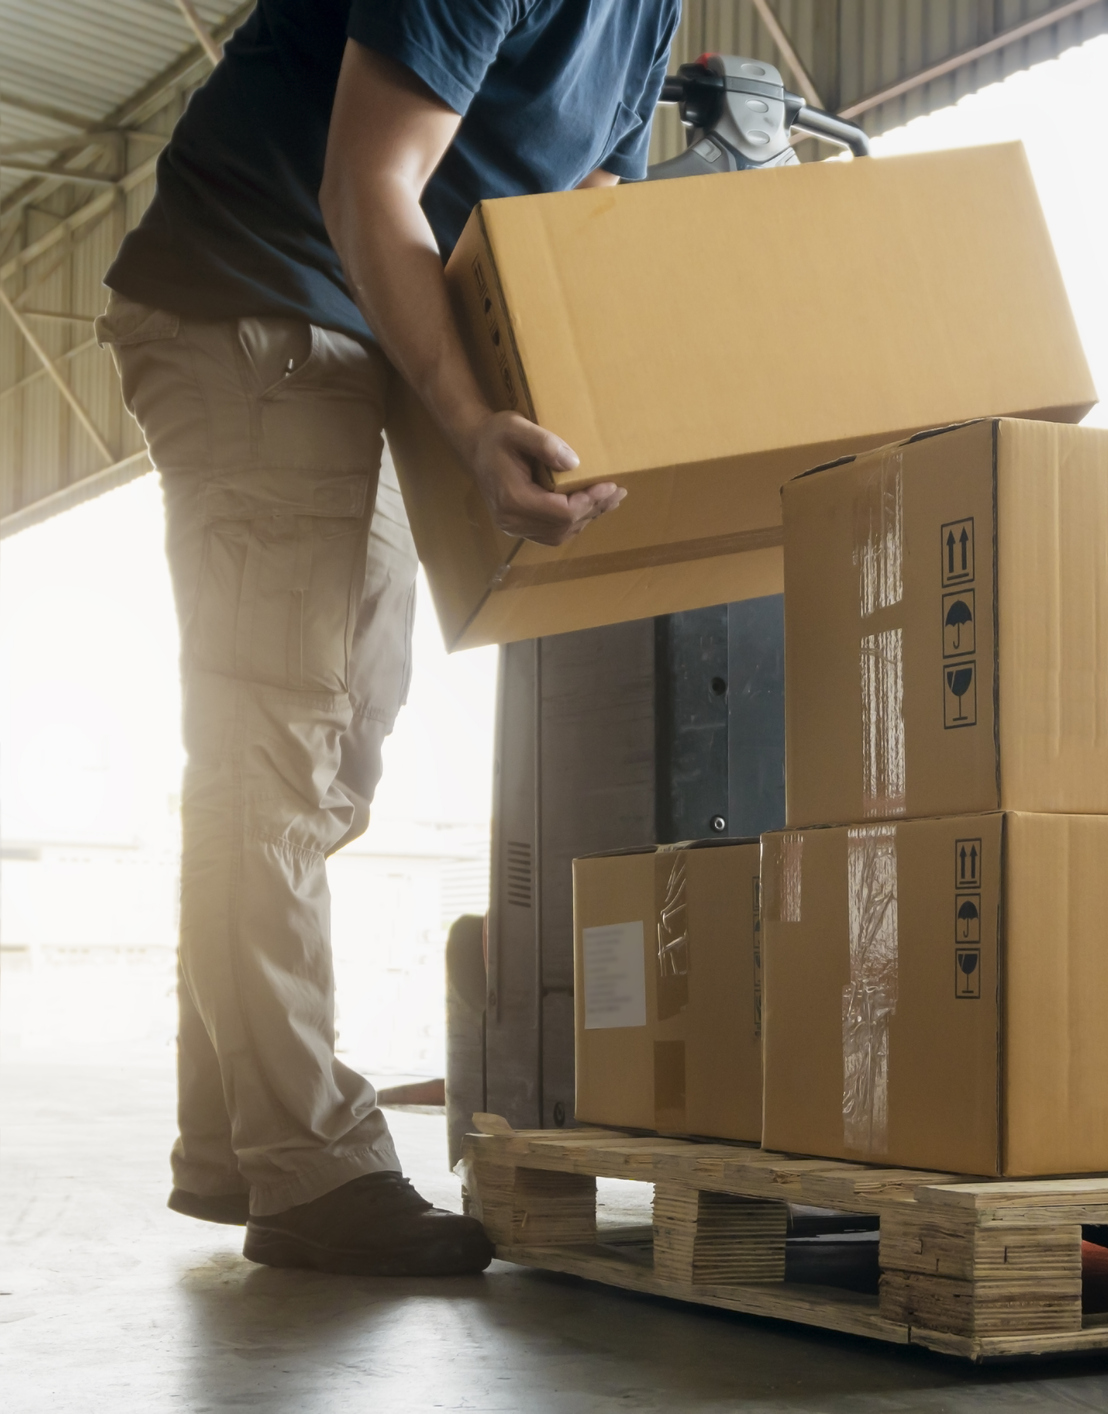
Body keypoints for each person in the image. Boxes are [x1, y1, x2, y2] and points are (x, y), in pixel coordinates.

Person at [96, 0, 676, 1276]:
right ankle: (312, 1170)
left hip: (368, 335)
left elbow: (566, 233)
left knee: (340, 746)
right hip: (255, 287)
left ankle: (235, 1138)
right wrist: (473, 425)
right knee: (277, 745)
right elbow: (372, 179)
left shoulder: (652, 16)